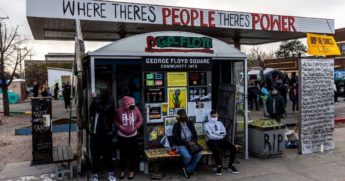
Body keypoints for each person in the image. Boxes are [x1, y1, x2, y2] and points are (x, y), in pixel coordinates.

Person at [89, 90, 116, 181]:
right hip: (95, 132)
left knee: (108, 155)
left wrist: (95, 99)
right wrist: (94, 101)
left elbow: (103, 110)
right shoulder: (97, 100)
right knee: (94, 154)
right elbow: (91, 111)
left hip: (106, 132)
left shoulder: (110, 101)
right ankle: (95, 174)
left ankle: (111, 173)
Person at [115, 96, 143, 180]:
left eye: (133, 104)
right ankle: (122, 170)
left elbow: (140, 120)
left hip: (133, 135)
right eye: (130, 104)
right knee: (123, 154)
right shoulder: (119, 110)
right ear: (125, 104)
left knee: (132, 154)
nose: (132, 106)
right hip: (122, 136)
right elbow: (115, 121)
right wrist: (119, 126)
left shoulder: (136, 109)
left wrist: (136, 127)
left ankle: (131, 171)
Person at [204, 110, 239, 176]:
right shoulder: (206, 125)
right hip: (211, 141)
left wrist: (215, 133)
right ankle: (219, 166)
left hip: (220, 140)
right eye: (213, 116)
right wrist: (219, 134)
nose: (215, 118)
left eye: (216, 116)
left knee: (233, 148)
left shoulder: (219, 123)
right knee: (217, 150)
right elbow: (210, 136)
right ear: (209, 117)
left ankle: (230, 166)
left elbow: (224, 133)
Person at [172, 109, 201, 178]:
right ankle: (186, 168)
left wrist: (194, 141)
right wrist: (187, 143)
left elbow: (195, 134)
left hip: (192, 143)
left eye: (184, 115)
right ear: (178, 117)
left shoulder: (189, 123)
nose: (184, 117)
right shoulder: (176, 125)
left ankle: (187, 169)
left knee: (198, 155)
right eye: (182, 116)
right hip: (181, 144)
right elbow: (176, 138)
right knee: (188, 157)